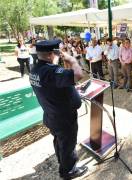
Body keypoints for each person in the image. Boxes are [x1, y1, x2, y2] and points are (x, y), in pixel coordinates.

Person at [29, 40, 88, 179]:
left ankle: (63, 162)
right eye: (57, 53)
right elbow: (79, 74)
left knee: (59, 140)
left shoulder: (35, 70)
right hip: (64, 117)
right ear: (51, 54)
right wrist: (72, 60)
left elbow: (52, 84)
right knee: (68, 143)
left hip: (51, 115)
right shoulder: (52, 71)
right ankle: (68, 171)